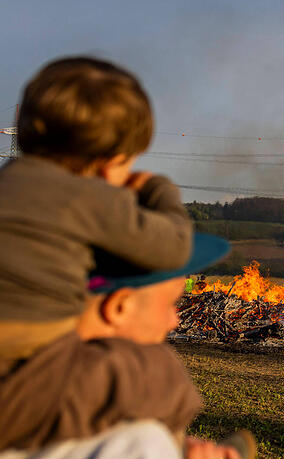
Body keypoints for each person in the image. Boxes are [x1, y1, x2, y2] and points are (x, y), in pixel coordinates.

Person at [0, 56, 192, 362]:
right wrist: (157, 189)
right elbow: (175, 247)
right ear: (108, 162)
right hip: (36, 358)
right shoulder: (91, 198)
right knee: (158, 373)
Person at [0, 233, 253, 458]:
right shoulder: (139, 443)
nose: (174, 319)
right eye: (169, 303)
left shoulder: (23, 363)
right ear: (119, 306)